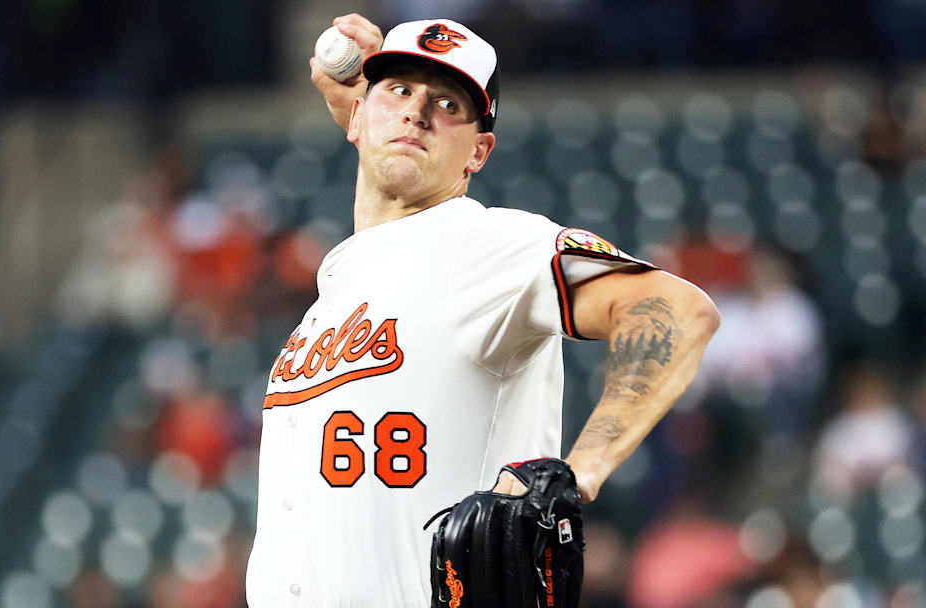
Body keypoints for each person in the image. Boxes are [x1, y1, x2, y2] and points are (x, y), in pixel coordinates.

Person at [246, 15, 720, 607]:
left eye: (448, 103)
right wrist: (372, 120)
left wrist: (581, 472)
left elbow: (676, 307)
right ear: (359, 116)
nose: (418, 111)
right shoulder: (340, 291)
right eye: (401, 89)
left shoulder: (479, 245)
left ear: (479, 152)